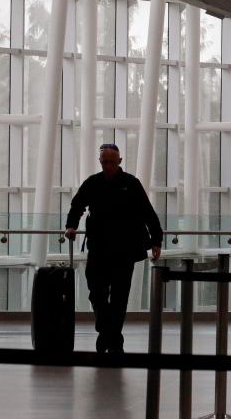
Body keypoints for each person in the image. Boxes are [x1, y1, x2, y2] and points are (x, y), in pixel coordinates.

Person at [65, 143, 163, 354]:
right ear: (100, 162)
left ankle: (109, 338)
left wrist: (156, 240)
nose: (108, 165)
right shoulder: (93, 183)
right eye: (104, 161)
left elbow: (147, 211)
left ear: (119, 161)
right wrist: (71, 225)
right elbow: (77, 205)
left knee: (119, 296)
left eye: (111, 161)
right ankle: (110, 334)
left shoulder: (131, 183)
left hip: (124, 250)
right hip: (98, 248)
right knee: (96, 292)